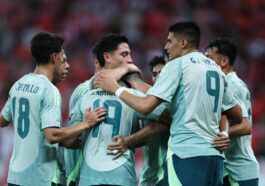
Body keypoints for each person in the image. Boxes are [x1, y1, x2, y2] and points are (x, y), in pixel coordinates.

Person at [94, 21, 243, 185]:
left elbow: (145, 106)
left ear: (183, 42)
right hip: (215, 159)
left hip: (186, 154)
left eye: (170, 41)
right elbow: (236, 114)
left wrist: (115, 88)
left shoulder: (177, 64)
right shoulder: (216, 69)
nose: (166, 46)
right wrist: (225, 132)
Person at [0, 32, 106, 186]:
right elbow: (52, 135)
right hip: (40, 178)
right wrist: (86, 123)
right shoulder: (49, 90)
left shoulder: (19, 84)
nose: (67, 65)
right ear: (54, 57)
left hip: (15, 178)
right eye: (64, 59)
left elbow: (2, 121)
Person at [70, 72, 169, 186]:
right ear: (130, 83)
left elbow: (68, 142)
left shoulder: (85, 97)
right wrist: (130, 140)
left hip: (88, 177)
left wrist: (85, 126)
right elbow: (167, 117)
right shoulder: (133, 97)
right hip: (121, 175)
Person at [65, 33, 136, 186]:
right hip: (80, 171)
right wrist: (128, 69)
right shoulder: (84, 91)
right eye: (124, 55)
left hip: (91, 174)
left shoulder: (128, 90)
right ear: (104, 59)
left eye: (129, 55)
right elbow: (71, 138)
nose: (130, 60)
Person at [205, 38, 260, 186]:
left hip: (239, 169)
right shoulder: (223, 84)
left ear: (224, 61)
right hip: (229, 167)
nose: (205, 63)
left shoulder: (231, 85)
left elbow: (246, 127)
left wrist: (217, 136)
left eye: (209, 58)